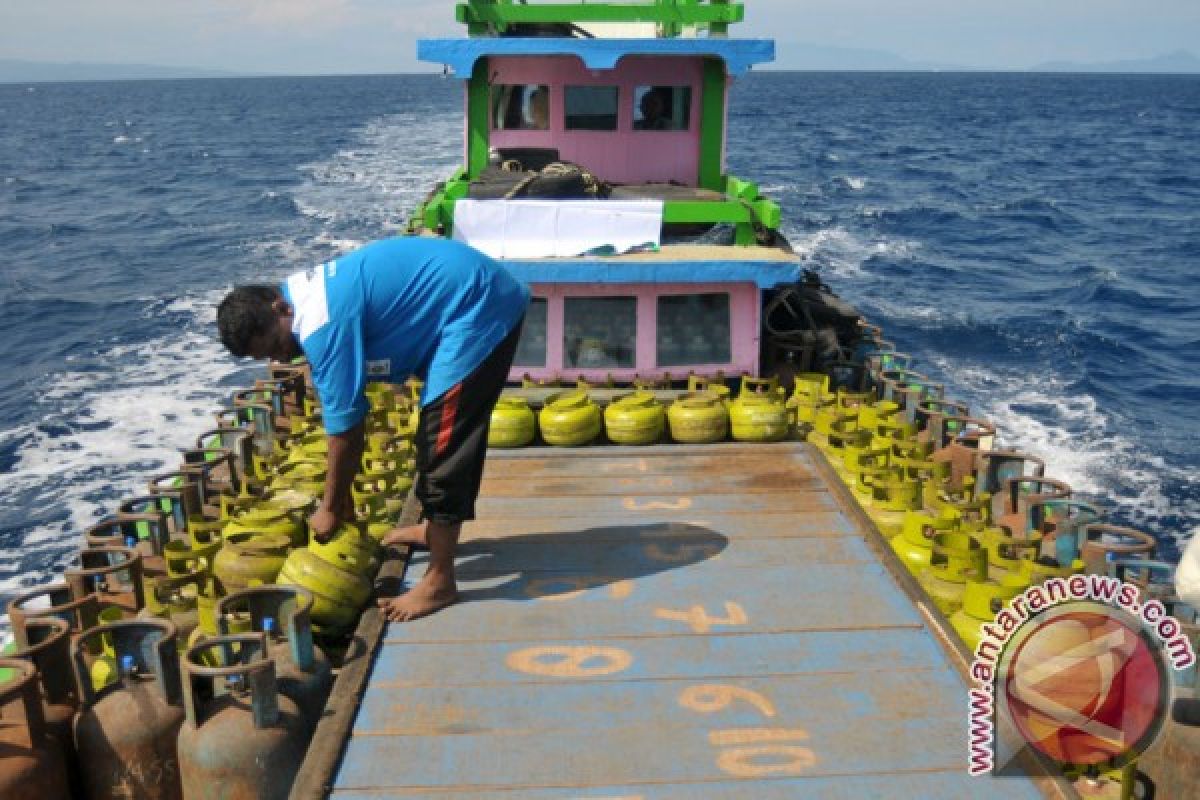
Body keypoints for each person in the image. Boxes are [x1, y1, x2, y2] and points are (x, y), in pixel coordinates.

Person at [217, 237, 529, 621]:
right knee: (438, 435)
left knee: (445, 443)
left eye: (277, 346)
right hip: (459, 301)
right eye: (267, 357)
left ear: (280, 308)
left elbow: (346, 427)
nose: (281, 358)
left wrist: (331, 508)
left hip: (478, 306)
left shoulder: (319, 324)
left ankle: (440, 582)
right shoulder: (302, 297)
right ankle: (435, 531)